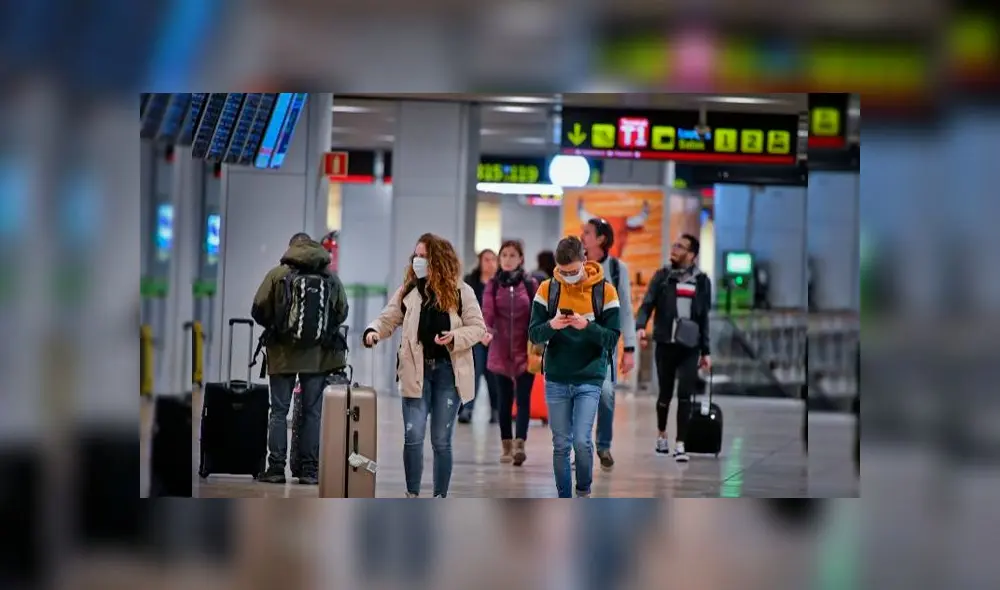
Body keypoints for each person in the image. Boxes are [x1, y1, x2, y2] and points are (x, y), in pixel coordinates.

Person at [363, 233, 486, 497]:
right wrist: (373, 331)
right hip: (414, 373)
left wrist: (454, 337)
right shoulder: (409, 290)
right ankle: (413, 495)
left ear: (438, 260)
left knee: (441, 441)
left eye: (423, 256)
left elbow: (478, 328)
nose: (418, 261)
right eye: (416, 256)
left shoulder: (461, 292)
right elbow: (388, 318)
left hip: (447, 375)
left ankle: (439, 496)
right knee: (413, 437)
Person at [250, 232, 349, 485]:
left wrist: (278, 327)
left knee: (279, 412)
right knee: (312, 413)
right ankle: (308, 470)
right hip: (317, 357)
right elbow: (342, 311)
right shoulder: (329, 277)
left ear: (291, 247)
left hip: (282, 354)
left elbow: (258, 308)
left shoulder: (277, 274)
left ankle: (275, 469)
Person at [528, 237, 621, 498]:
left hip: (589, 377)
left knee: (581, 441)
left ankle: (584, 491)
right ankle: (563, 497)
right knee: (560, 444)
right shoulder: (547, 289)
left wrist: (587, 326)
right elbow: (534, 334)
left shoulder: (606, 292)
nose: (567, 276)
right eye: (562, 271)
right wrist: (552, 325)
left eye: (572, 271)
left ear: (584, 260)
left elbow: (612, 337)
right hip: (556, 377)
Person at [635, 234, 712, 463]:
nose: (675, 249)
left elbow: (703, 317)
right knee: (665, 394)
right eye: (674, 244)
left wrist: (706, 351)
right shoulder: (662, 276)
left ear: (692, 254)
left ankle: (681, 444)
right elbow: (647, 303)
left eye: (680, 246)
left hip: (690, 346)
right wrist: (641, 326)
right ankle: (661, 434)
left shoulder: (702, 281)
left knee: (685, 395)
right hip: (665, 343)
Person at [580, 217, 637, 471]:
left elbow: (625, 309)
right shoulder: (575, 264)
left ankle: (603, 445)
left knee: (606, 394)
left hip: (606, 344)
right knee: (577, 397)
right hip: (576, 343)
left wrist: (630, 348)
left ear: (601, 239)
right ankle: (579, 450)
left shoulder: (616, 269)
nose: (582, 236)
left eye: (588, 232)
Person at [481, 240, 538, 466]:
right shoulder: (493, 285)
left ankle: (520, 444)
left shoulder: (531, 284)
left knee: (523, 400)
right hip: (500, 350)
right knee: (504, 401)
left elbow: (537, 313)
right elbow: (488, 313)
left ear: (521, 259)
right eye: (503, 255)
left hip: (525, 350)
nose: (507, 259)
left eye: (512, 255)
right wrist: (487, 331)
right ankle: (506, 446)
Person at [460, 249, 500, 424]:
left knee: (494, 374)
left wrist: (491, 332)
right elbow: (465, 309)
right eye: (486, 259)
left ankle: (496, 410)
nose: (490, 263)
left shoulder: (502, 283)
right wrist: (479, 332)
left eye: (493, 260)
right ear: (480, 261)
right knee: (473, 372)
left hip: (495, 336)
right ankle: (467, 409)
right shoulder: (470, 282)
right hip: (475, 335)